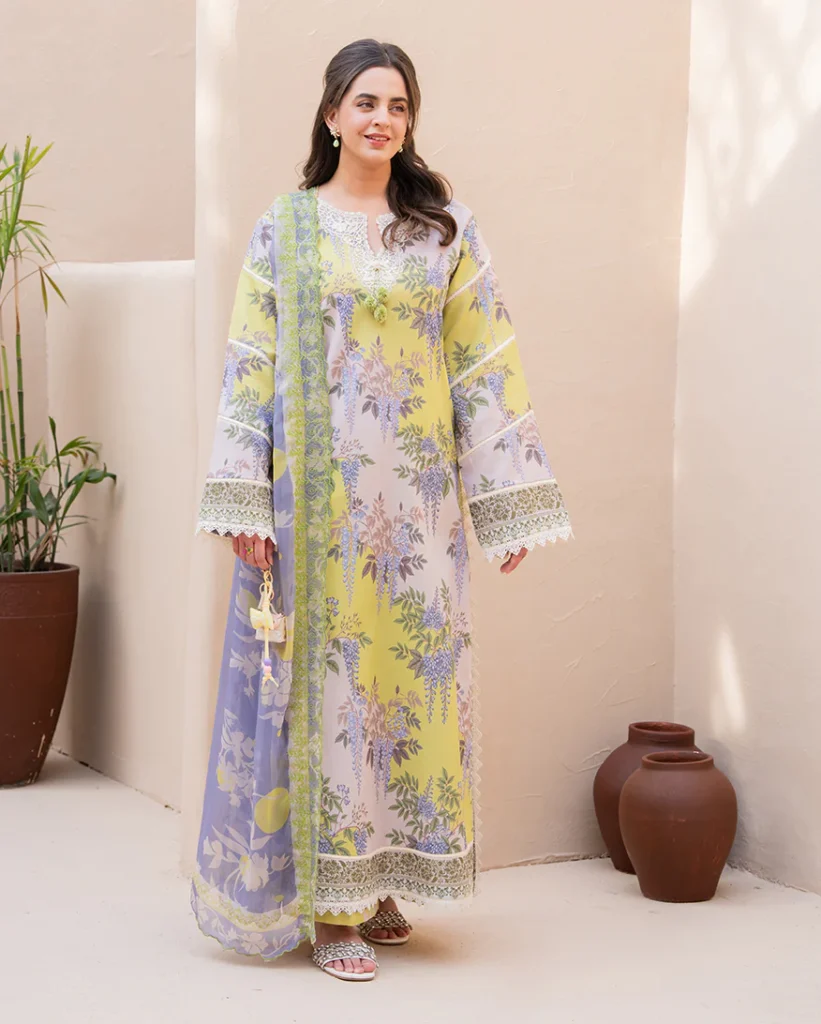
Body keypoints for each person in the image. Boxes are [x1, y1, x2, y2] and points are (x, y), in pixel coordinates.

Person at [191, 37, 572, 982]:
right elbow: (250, 362)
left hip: (418, 510)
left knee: (410, 687)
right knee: (334, 691)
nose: (381, 119)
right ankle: (330, 911)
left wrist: (506, 503)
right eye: (365, 102)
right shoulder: (286, 229)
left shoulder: (442, 231)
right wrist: (244, 497)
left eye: (397, 105)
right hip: (318, 510)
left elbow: (484, 365)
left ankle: (382, 876)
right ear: (330, 115)